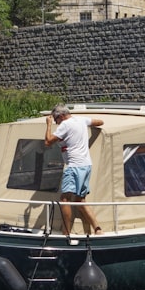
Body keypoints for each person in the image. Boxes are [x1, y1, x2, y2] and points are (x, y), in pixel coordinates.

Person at [45, 104, 104, 242]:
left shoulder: (64, 125)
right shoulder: (81, 120)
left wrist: (48, 125)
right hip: (86, 165)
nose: (55, 122)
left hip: (74, 166)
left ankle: (66, 232)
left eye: (55, 120)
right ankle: (97, 228)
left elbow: (48, 142)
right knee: (80, 200)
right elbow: (100, 122)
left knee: (64, 199)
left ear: (60, 116)